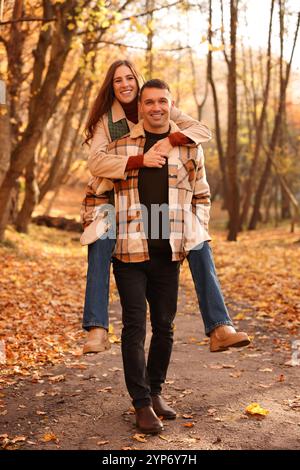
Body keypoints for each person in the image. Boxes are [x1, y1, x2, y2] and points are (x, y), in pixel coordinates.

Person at [80, 59, 250, 355]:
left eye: (129, 78)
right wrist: (138, 159)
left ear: (138, 80)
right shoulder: (106, 121)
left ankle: (220, 327)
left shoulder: (159, 105)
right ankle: (96, 328)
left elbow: (202, 131)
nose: (125, 84)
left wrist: (171, 139)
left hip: (163, 206)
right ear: (112, 86)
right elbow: (95, 163)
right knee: (99, 242)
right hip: (111, 198)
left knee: (199, 239)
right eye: (118, 80)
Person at [94, 78, 213, 433]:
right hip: (130, 250)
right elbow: (95, 182)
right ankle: (142, 403)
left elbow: (202, 195)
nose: (156, 108)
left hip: (169, 252)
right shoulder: (120, 148)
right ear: (140, 107)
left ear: (171, 105)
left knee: (165, 326)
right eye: (149, 102)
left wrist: (196, 230)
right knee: (134, 326)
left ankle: (157, 391)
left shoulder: (189, 147)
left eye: (162, 102)